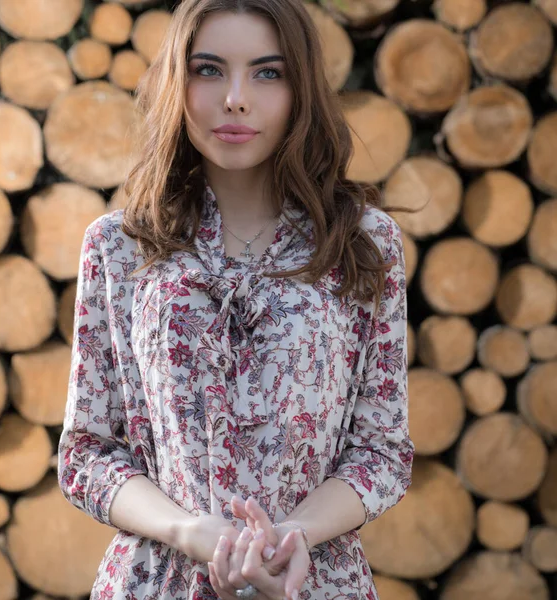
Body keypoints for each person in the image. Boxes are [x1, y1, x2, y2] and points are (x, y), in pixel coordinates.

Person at [57, 0, 414, 599]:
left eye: (267, 73)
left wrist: (289, 539)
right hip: (158, 581)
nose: (236, 98)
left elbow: (382, 451)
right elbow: (86, 454)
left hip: (316, 580)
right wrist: (192, 531)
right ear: (178, 81)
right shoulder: (119, 247)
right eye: (210, 69)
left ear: (300, 89)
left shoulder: (362, 242)